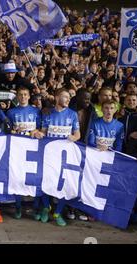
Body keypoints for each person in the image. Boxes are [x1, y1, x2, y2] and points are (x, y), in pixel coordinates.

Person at [34, 88, 81, 227]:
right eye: (65, 96)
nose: (68, 99)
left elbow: (78, 135)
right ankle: (46, 207)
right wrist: (39, 134)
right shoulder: (48, 113)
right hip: (49, 155)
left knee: (64, 183)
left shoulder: (72, 114)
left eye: (69, 98)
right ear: (56, 97)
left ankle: (58, 212)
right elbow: (43, 132)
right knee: (45, 181)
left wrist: (73, 137)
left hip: (65, 157)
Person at [5, 87, 41, 220]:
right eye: (20, 95)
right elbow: (8, 130)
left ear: (29, 96)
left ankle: (36, 207)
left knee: (35, 177)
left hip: (34, 150)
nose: (23, 97)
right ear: (17, 97)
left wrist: (36, 131)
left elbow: (40, 128)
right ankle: (18, 206)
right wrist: (13, 130)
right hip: (18, 150)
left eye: (25, 94)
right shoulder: (11, 112)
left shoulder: (36, 111)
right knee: (18, 177)